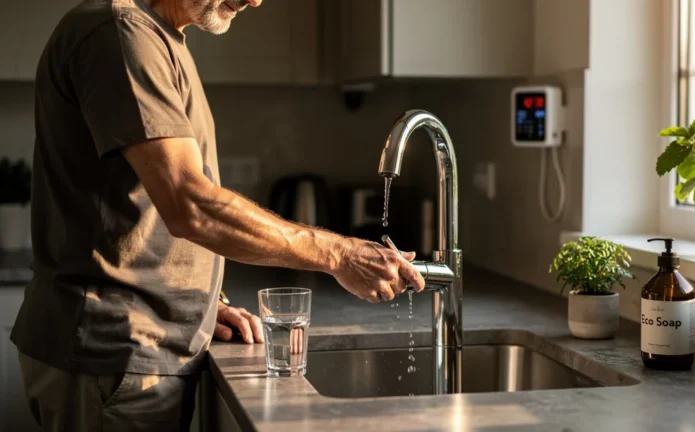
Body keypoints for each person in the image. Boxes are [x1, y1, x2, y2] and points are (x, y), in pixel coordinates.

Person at [10, 0, 426, 430]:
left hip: (135, 349)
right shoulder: (120, 31)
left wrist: (207, 305)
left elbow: (145, 209)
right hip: (114, 349)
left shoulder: (158, 36)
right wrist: (339, 254)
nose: (256, 0)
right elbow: (190, 203)